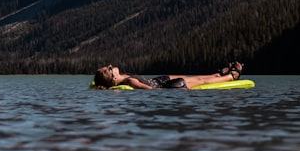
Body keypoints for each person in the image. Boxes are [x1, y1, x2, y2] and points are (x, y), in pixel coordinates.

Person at [92, 61, 243, 90]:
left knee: (197, 77)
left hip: (159, 79)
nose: (111, 66)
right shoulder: (129, 81)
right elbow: (151, 90)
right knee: (200, 81)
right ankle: (231, 77)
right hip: (166, 86)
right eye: (110, 68)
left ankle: (216, 74)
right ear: (113, 78)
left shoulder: (123, 77)